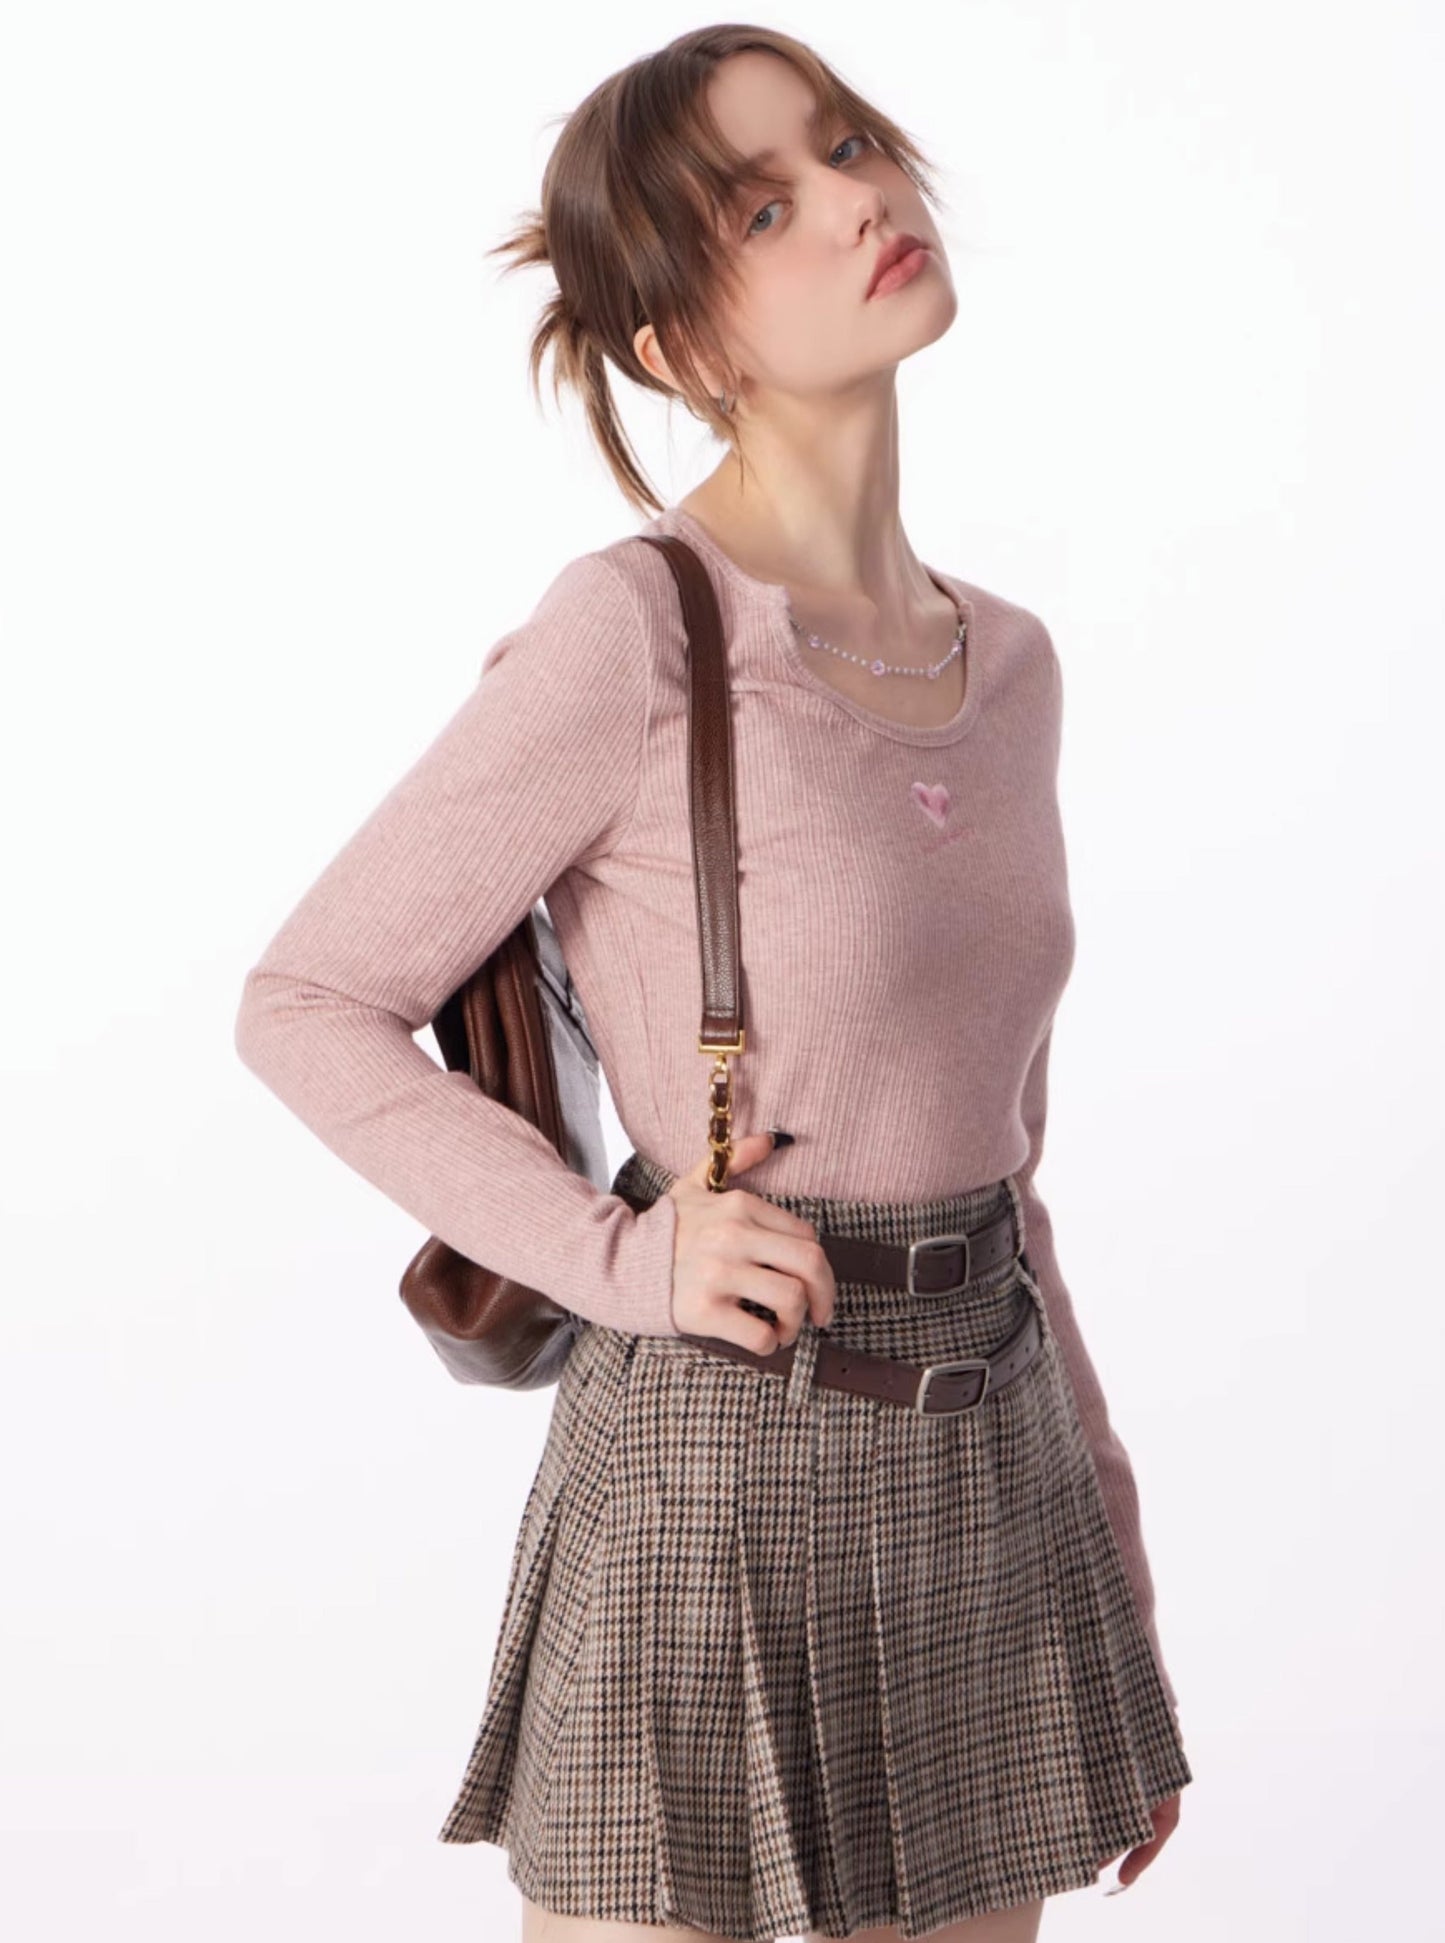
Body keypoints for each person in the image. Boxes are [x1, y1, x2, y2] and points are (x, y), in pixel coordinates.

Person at [233, 24, 1193, 1943]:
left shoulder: (1010, 666)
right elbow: (308, 1000)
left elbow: (1004, 1163)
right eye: (765, 208)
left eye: (845, 147)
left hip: (990, 1468)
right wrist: (614, 1256)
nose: (857, 199)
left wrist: (1109, 1542)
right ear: (680, 349)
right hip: (718, 1462)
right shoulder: (637, 634)